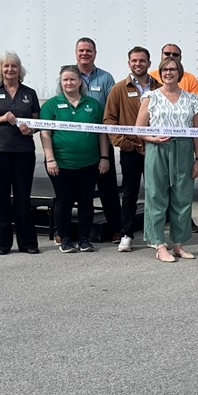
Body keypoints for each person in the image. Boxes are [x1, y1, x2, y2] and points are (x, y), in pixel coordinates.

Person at [135, 57, 198, 263]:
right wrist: (152, 138)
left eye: (173, 69)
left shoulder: (191, 99)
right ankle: (158, 243)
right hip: (157, 148)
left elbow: (197, 132)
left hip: (183, 149)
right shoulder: (151, 97)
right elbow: (138, 129)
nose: (168, 73)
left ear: (179, 72)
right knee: (156, 195)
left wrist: (197, 158)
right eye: (165, 69)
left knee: (182, 196)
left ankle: (178, 244)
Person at [0, 52, 41, 255]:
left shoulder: (29, 93)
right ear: (0, 69)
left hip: (23, 152)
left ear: (20, 69)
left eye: (14, 66)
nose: (10, 69)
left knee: (23, 197)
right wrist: (1, 118)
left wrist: (30, 129)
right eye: (6, 66)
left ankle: (28, 242)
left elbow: (37, 122)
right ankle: (2, 243)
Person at [39, 65, 110, 254]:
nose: (68, 83)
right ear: (60, 83)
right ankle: (65, 238)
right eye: (65, 80)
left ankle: (84, 239)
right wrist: (50, 159)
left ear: (80, 82)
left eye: (72, 79)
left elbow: (102, 134)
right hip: (61, 163)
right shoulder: (51, 105)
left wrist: (104, 157)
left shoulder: (93, 105)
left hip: (89, 162)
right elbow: (45, 133)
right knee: (64, 201)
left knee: (86, 201)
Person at [103, 46, 161, 252]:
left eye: (142, 61)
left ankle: (155, 235)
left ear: (149, 63)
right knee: (130, 193)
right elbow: (109, 119)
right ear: (129, 63)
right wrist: (122, 142)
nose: (138, 64)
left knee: (156, 193)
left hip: (156, 149)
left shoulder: (159, 88)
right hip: (131, 151)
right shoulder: (119, 89)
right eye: (134, 61)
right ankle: (126, 234)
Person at [74, 37, 123, 243]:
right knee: (73, 189)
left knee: (108, 189)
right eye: (81, 50)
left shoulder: (105, 78)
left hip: (101, 143)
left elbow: (113, 108)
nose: (85, 54)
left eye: (89, 51)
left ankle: (117, 229)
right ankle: (67, 230)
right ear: (76, 53)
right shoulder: (68, 76)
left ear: (95, 53)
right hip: (76, 144)